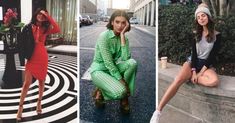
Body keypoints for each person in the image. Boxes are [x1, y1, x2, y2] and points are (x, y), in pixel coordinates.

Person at [150, 3, 221, 123]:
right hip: (192, 62)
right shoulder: (195, 33)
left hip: (206, 65)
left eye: (203, 15)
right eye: (198, 17)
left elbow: (211, 57)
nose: (201, 19)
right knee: (177, 80)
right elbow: (193, 54)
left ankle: (188, 78)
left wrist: (199, 74)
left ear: (208, 16)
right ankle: (157, 111)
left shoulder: (217, 35)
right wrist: (193, 71)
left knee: (214, 81)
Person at [16, 8, 60, 121]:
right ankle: (20, 107)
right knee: (26, 83)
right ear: (36, 14)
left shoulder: (45, 28)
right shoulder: (28, 27)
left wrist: (48, 16)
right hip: (32, 57)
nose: (41, 16)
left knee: (41, 81)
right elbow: (22, 42)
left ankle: (39, 103)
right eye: (39, 13)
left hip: (42, 57)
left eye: (43, 15)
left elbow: (57, 28)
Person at [90, 10, 137, 114]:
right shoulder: (104, 36)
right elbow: (108, 63)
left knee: (132, 63)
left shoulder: (124, 38)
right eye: (117, 22)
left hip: (112, 69)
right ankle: (102, 91)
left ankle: (121, 95)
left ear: (127, 24)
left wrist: (122, 37)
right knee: (120, 91)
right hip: (99, 70)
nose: (120, 26)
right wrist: (122, 82)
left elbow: (126, 59)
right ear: (112, 22)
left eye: (123, 23)